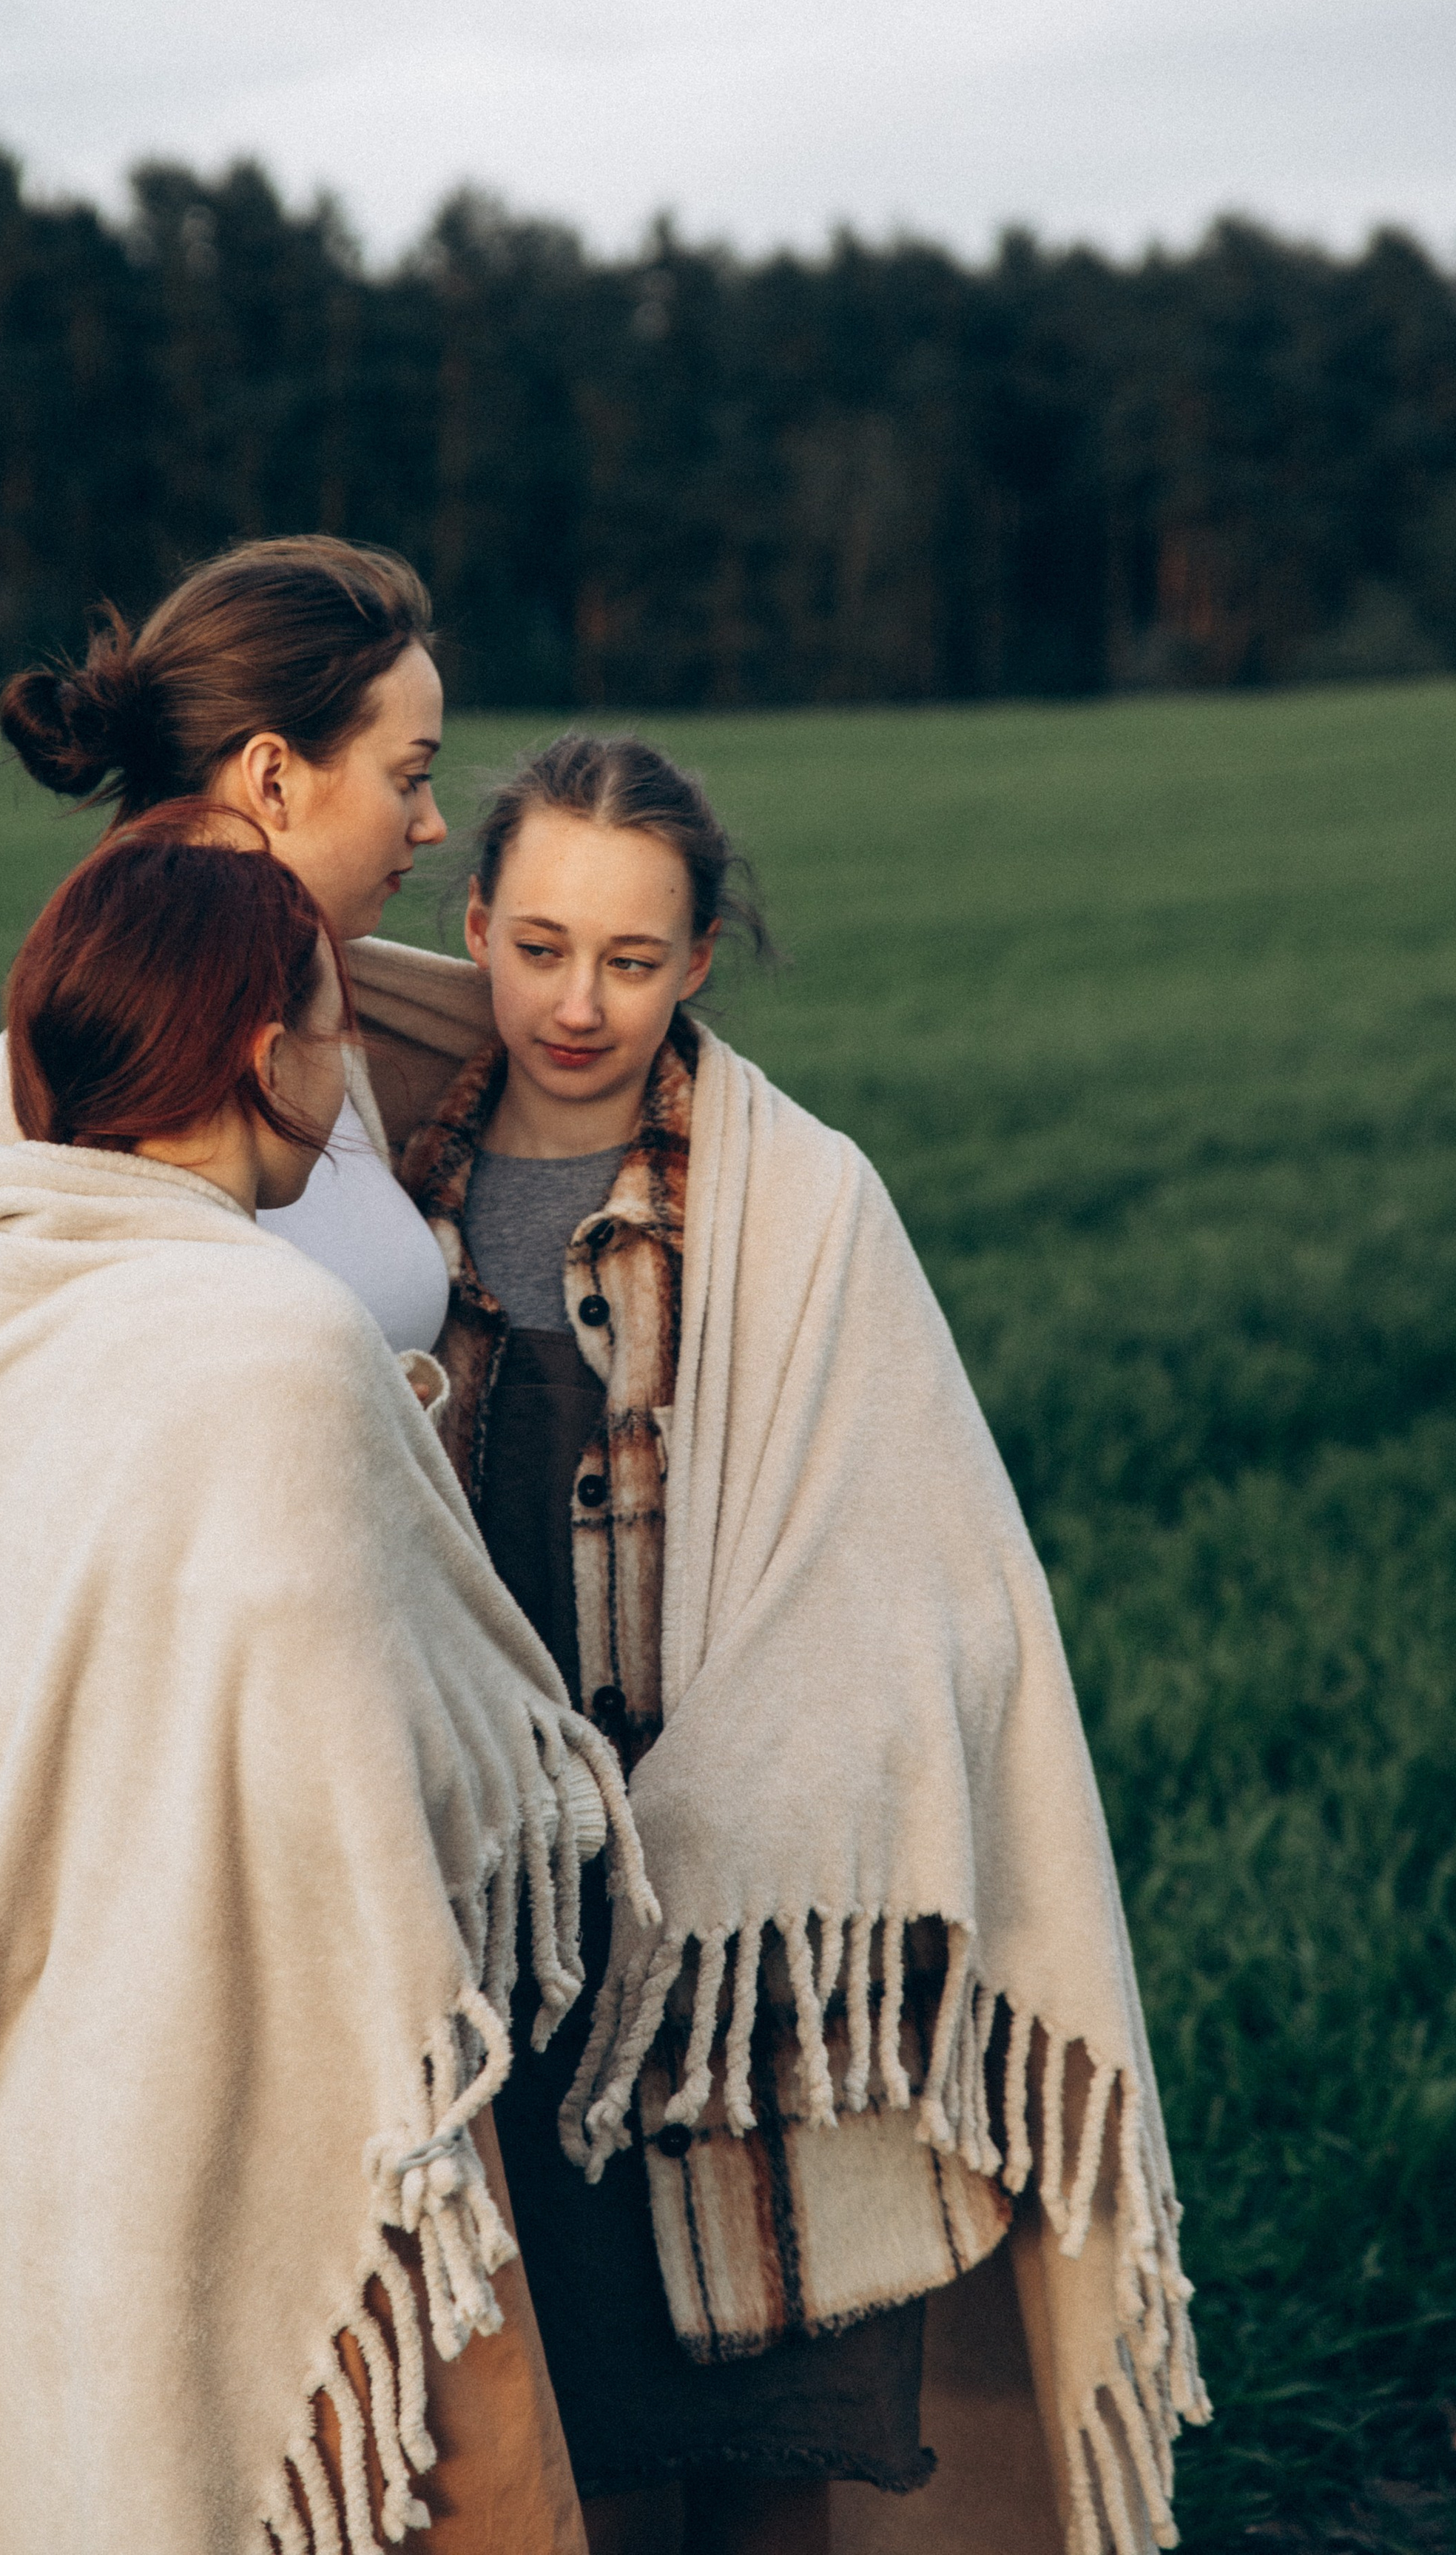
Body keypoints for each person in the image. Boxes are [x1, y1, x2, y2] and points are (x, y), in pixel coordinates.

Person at [394, 737, 1210, 2555]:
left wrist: (727, 1810)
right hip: (486, 1905)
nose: (575, 1002)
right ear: (469, 929)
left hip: (748, 1933)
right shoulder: (386, 1204)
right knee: (544, 2414)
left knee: (771, 2416)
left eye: (627, 956)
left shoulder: (802, 1201)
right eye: (534, 947)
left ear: (696, 959)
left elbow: (920, 1574)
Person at [0, 808, 653, 2555]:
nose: (348, 1069)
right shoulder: (270, 1344)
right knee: (411, 2482)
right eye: (334, 1026)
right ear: (263, 1050)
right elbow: (378, 1773)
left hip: (41, 2064)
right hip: (303, 2095)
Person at [0, 532, 457, 1350]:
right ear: (272, 779)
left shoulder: (319, 1008)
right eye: (408, 777)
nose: (432, 825)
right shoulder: (65, 1080)